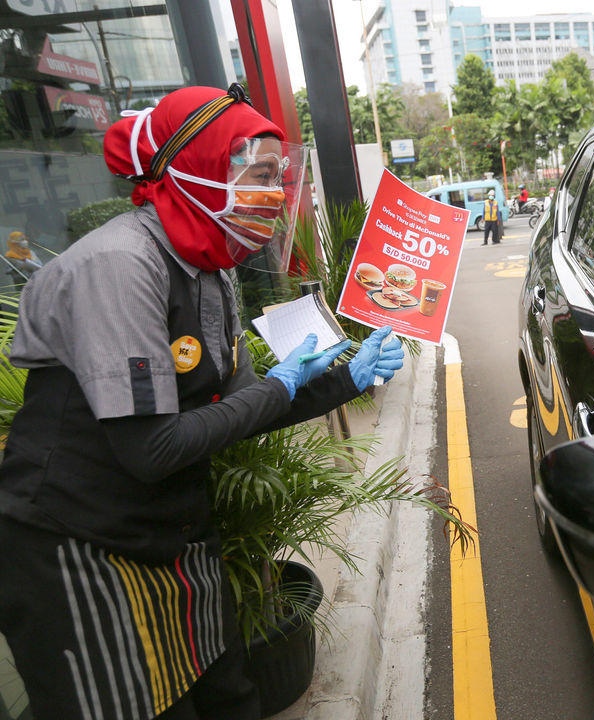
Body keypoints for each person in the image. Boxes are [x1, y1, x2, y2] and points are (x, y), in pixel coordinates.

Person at [0, 84, 405, 720]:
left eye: (279, 177)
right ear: (198, 168)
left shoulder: (210, 266)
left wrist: (347, 378)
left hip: (171, 532)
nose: (274, 195)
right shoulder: (120, 265)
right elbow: (152, 449)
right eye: (260, 174)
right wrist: (283, 385)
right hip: (76, 546)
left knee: (228, 694)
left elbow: (240, 405)